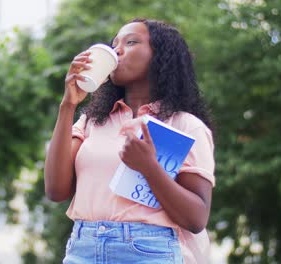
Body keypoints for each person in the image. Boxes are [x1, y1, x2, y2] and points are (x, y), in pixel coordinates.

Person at [44, 18, 215, 264]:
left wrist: (149, 167)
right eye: (114, 45)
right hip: (84, 248)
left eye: (131, 42)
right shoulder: (93, 122)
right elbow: (55, 190)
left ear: (161, 56)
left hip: (149, 251)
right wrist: (68, 105)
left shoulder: (186, 125)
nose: (117, 50)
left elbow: (196, 218)